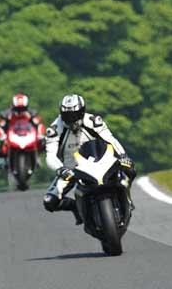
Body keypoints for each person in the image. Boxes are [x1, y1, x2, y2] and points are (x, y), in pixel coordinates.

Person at [43, 94, 135, 223]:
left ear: (82, 111)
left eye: (75, 115)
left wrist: (122, 155)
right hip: (71, 170)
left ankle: (127, 199)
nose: (71, 119)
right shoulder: (54, 129)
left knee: (130, 169)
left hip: (100, 162)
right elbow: (50, 155)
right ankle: (76, 208)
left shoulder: (93, 121)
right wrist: (60, 169)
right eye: (67, 116)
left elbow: (110, 138)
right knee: (49, 201)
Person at [0, 93, 45, 167]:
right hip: (11, 134)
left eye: (22, 109)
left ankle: (37, 156)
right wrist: (2, 136)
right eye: (18, 109)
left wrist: (40, 135)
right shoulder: (6, 114)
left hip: (27, 134)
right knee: (2, 146)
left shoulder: (32, 113)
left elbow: (39, 124)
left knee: (42, 142)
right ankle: (2, 161)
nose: (20, 111)